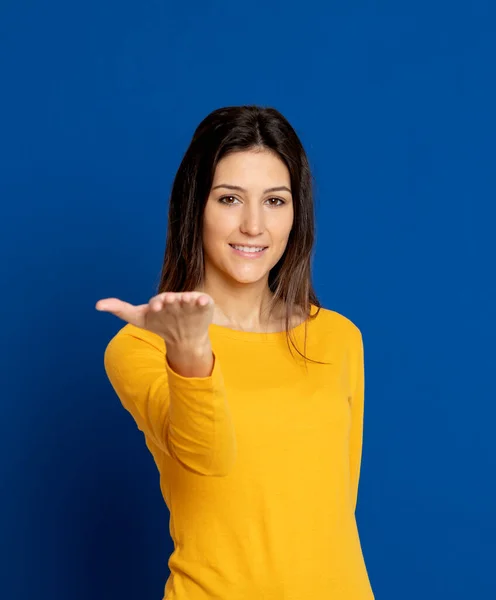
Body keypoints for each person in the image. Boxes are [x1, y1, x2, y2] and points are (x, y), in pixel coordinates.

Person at [95, 105, 375, 600]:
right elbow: (208, 457)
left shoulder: (338, 339)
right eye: (229, 198)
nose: (253, 225)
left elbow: (336, 510)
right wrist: (190, 350)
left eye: (274, 201)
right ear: (195, 206)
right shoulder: (140, 346)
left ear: (297, 213)